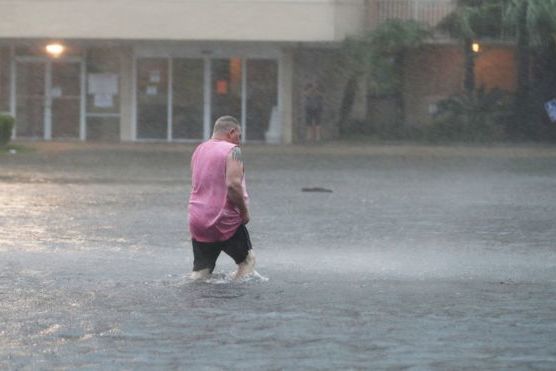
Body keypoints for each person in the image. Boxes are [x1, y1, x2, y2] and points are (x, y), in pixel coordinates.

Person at [188, 115, 256, 280]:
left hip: (197, 219)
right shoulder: (234, 151)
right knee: (247, 261)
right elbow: (233, 185)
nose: (239, 142)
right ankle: (237, 298)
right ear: (231, 132)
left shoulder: (199, 150)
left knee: (201, 272)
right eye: (239, 136)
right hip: (224, 219)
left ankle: (195, 297)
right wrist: (244, 212)